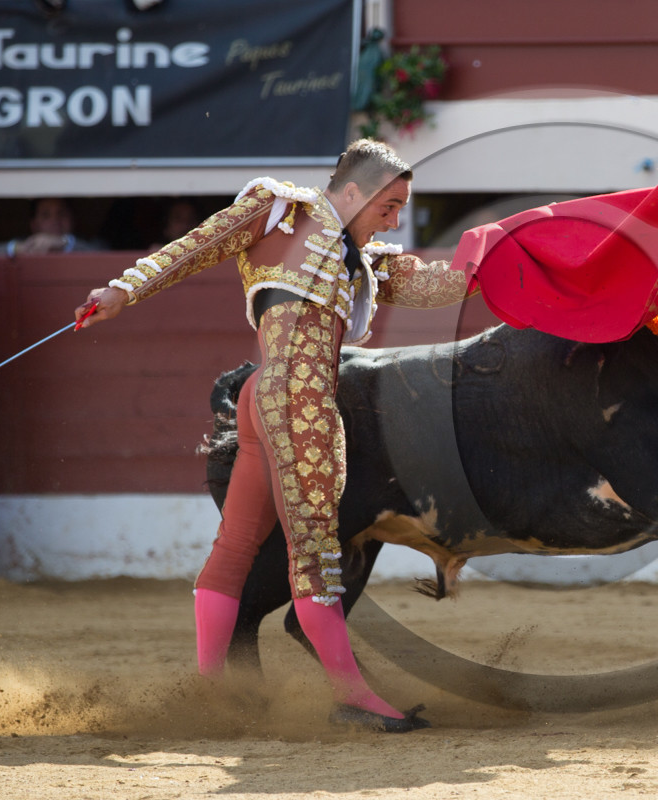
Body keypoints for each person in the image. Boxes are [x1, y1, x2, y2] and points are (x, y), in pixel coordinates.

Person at [75, 138, 472, 733]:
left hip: (263, 394)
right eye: (389, 206)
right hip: (300, 400)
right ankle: (351, 696)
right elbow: (197, 245)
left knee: (236, 546)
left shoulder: (359, 256)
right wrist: (123, 290)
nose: (394, 221)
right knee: (314, 553)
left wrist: (502, 258)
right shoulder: (280, 208)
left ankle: (212, 690)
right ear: (354, 191)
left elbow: (441, 285)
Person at [0, 197, 103, 257]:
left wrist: (64, 243)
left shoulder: (87, 245)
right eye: (46, 215)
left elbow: (104, 256)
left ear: (71, 219)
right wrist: (18, 248)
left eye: (61, 213)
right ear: (34, 224)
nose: (55, 220)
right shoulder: (26, 245)